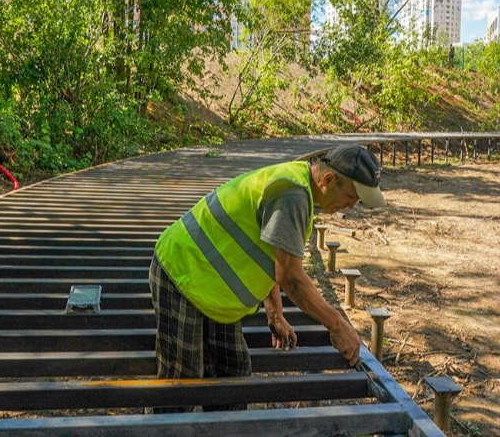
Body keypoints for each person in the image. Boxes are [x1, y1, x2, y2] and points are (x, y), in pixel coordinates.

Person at [149, 143, 385, 412]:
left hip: (210, 286)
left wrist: (274, 311)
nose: (351, 206)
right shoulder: (293, 194)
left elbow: (270, 252)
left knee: (234, 372)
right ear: (329, 180)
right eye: (351, 197)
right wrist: (338, 325)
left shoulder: (299, 185)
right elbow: (292, 279)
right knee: (183, 381)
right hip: (182, 272)